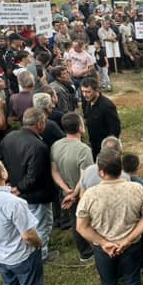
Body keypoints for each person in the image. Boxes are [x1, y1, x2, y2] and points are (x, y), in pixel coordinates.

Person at [76, 150, 143, 285]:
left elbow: (81, 226)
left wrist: (103, 242)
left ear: (101, 172)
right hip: (131, 245)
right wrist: (129, 239)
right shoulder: (136, 188)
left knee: (108, 282)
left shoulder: (90, 195)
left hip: (103, 248)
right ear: (120, 169)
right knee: (132, 278)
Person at [0, 108, 57, 262]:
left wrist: (10, 185)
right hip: (35, 194)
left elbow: (3, 163)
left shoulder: (9, 137)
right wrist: (20, 188)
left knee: (25, 224)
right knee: (42, 225)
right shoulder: (39, 146)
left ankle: (31, 249)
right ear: (39, 123)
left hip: (15, 190)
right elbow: (34, 176)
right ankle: (41, 255)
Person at [52, 112, 95, 263]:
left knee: (74, 220)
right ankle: (91, 249)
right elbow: (84, 176)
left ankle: (84, 252)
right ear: (81, 128)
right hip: (80, 193)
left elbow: (54, 171)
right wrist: (74, 194)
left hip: (65, 191)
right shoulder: (84, 150)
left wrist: (66, 189)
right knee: (85, 221)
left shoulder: (56, 145)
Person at [80, 77, 121, 158]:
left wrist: (109, 148)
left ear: (96, 90)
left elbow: (115, 129)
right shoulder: (87, 101)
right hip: (93, 143)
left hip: (105, 147)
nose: (85, 94)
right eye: (83, 91)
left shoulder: (107, 106)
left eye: (88, 92)